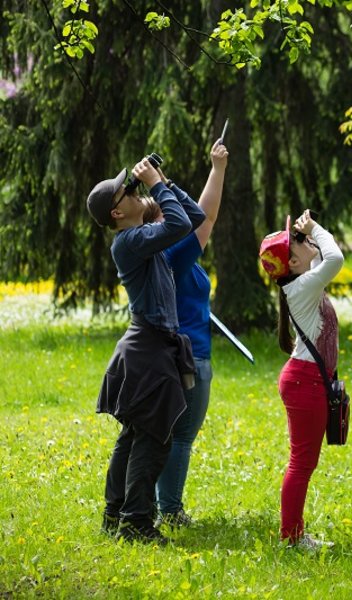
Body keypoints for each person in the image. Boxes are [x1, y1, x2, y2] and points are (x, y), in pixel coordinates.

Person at [87, 156, 207, 545]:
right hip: (148, 351)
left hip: (149, 348)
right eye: (131, 190)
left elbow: (195, 217)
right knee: (154, 438)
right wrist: (156, 184)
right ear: (118, 211)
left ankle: (114, 514)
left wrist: (165, 182)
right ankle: (136, 522)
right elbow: (179, 224)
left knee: (134, 435)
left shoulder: (141, 237)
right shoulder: (130, 242)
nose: (138, 192)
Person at [147, 141, 228, 528]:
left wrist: (216, 167)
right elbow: (205, 216)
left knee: (172, 435)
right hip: (189, 356)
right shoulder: (173, 253)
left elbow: (201, 215)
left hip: (182, 352)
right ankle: (171, 511)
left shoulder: (168, 253)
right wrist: (217, 169)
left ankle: (161, 506)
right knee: (180, 437)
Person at [258, 210, 344, 550]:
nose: (304, 238)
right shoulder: (303, 285)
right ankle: (291, 537)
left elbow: (327, 254)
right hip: (304, 381)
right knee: (302, 462)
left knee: (305, 461)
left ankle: (294, 533)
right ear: (292, 261)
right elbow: (334, 257)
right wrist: (314, 228)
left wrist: (309, 235)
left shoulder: (303, 281)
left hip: (310, 380)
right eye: (296, 240)